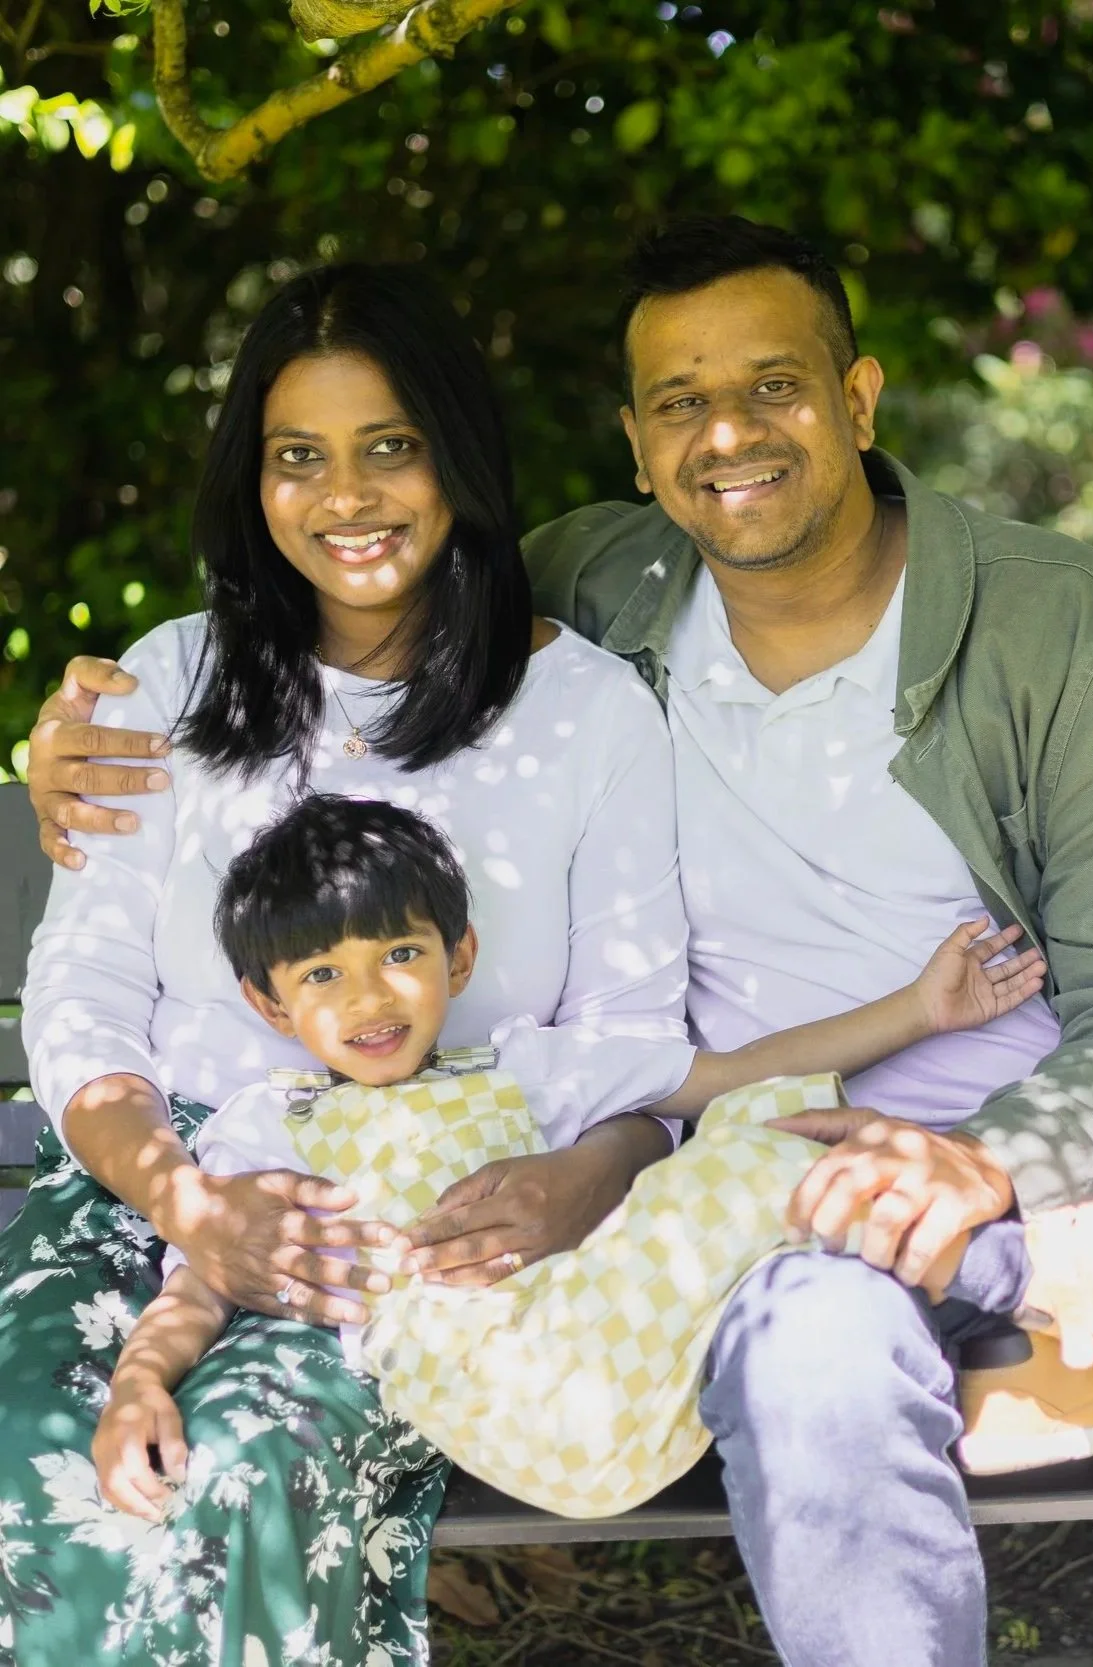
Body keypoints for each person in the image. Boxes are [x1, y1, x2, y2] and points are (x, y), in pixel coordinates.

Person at [25, 217, 1093, 1667]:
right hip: (784, 1173)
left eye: (774, 387)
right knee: (815, 1359)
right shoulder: (601, 598)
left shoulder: (1059, 636)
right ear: (633, 441)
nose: (726, 433)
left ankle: (1075, 1265)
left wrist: (997, 1164)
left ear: (857, 397)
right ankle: (1041, 1293)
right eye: (680, 403)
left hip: (1079, 1140)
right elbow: (360, 648)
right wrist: (76, 736)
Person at [3, 260, 707, 1667]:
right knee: (35, 1468)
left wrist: (576, 1181)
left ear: (456, 457)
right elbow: (81, 1007)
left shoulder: (586, 715)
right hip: (150, 1187)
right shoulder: (167, 685)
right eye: (297, 457)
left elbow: (635, 1036)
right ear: (251, 483)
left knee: (231, 1477)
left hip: (398, 1224)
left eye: (389, 445)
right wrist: (184, 1199)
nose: (347, 495)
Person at [92, 792, 1093, 1527]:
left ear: (459, 952)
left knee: (768, 1125)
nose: (372, 995)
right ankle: (1040, 1283)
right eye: (323, 975)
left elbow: (725, 1075)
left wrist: (916, 1010)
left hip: (617, 1342)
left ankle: (1022, 1359)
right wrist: (141, 1379)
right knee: (763, 1155)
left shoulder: (525, 1070)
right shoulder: (268, 1126)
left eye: (400, 952)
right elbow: (199, 1279)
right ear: (267, 1001)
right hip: (512, 1396)